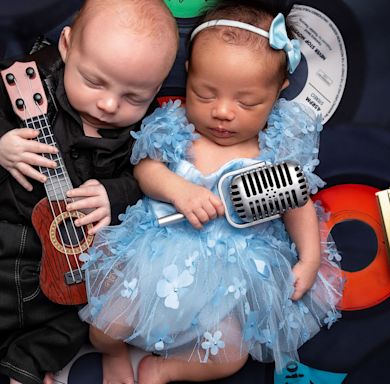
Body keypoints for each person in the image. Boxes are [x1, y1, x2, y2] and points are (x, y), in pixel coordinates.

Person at [79, 1, 345, 383]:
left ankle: (164, 369)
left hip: (233, 273)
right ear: (188, 75)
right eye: (205, 94)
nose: (223, 112)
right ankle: (113, 352)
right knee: (104, 326)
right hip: (158, 254)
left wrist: (309, 258)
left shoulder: (276, 147)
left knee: (231, 354)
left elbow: (297, 202)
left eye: (247, 102)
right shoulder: (177, 128)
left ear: (278, 92)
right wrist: (178, 189)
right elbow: (146, 168)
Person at [0, 1, 179, 383]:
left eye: (134, 97)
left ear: (157, 88)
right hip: (1, 236)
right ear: (66, 46)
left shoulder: (145, 130)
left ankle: (25, 365)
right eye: (94, 82)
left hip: (79, 253)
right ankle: (8, 357)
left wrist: (113, 194)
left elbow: (148, 179)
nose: (109, 104)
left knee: (93, 314)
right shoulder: (32, 79)